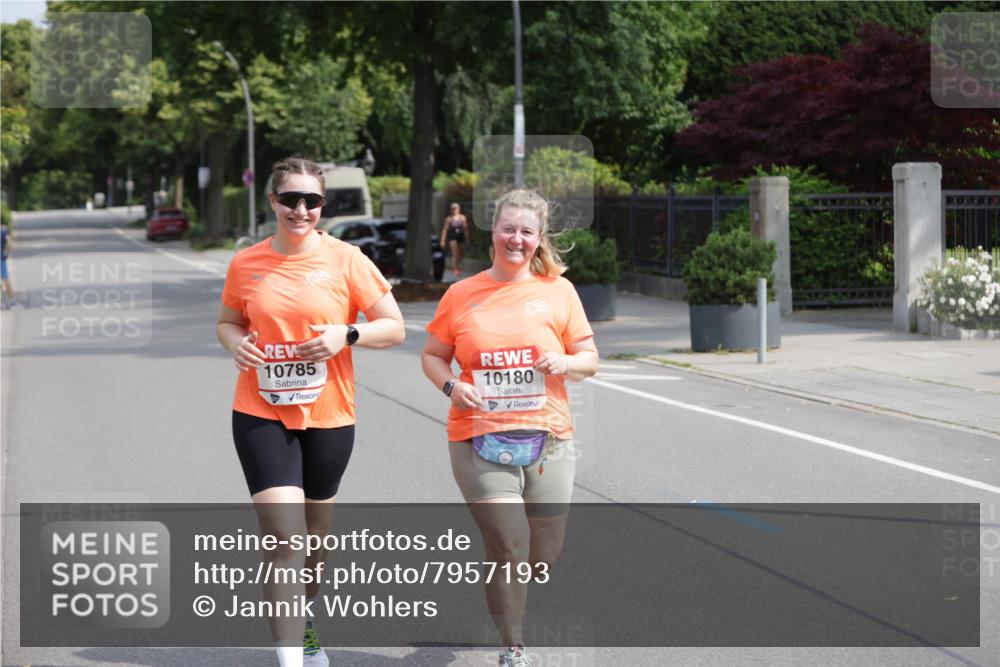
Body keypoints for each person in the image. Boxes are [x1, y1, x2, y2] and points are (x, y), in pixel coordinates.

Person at [217, 156, 405, 667]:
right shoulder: (246, 262)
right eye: (290, 199)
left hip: (329, 416)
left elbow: (394, 326)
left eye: (312, 201)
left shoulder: (347, 259)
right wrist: (236, 345)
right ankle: (290, 657)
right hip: (259, 411)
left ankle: (304, 623)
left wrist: (345, 334)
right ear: (272, 200)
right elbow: (229, 322)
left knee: (313, 549)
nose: (301, 209)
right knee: (285, 539)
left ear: (322, 205)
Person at [421, 189, 599, 667]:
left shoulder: (558, 290)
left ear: (538, 238)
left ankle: (506, 587)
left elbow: (589, 358)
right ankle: (513, 646)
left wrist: (564, 361)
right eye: (507, 229)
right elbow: (433, 356)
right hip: (477, 437)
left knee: (542, 556)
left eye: (526, 231)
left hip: (549, 440)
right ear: (492, 231)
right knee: (509, 546)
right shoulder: (462, 293)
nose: (515, 239)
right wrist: (451, 387)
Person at [440, 202, 470, 276]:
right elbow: (445, 229)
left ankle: (457, 264)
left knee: (461, 252)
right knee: (455, 252)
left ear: (459, 209)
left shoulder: (463, 218)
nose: (454, 210)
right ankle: (455, 268)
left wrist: (467, 238)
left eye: (456, 208)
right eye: (453, 209)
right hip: (452, 236)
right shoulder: (449, 219)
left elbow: (465, 229)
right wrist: (443, 240)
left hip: (461, 235)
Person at [1, 222, 19, 309]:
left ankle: (2, 302)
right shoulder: (3, 231)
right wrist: (7, 253)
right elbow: (10, 244)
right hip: (1, 259)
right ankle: (12, 301)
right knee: (5, 280)